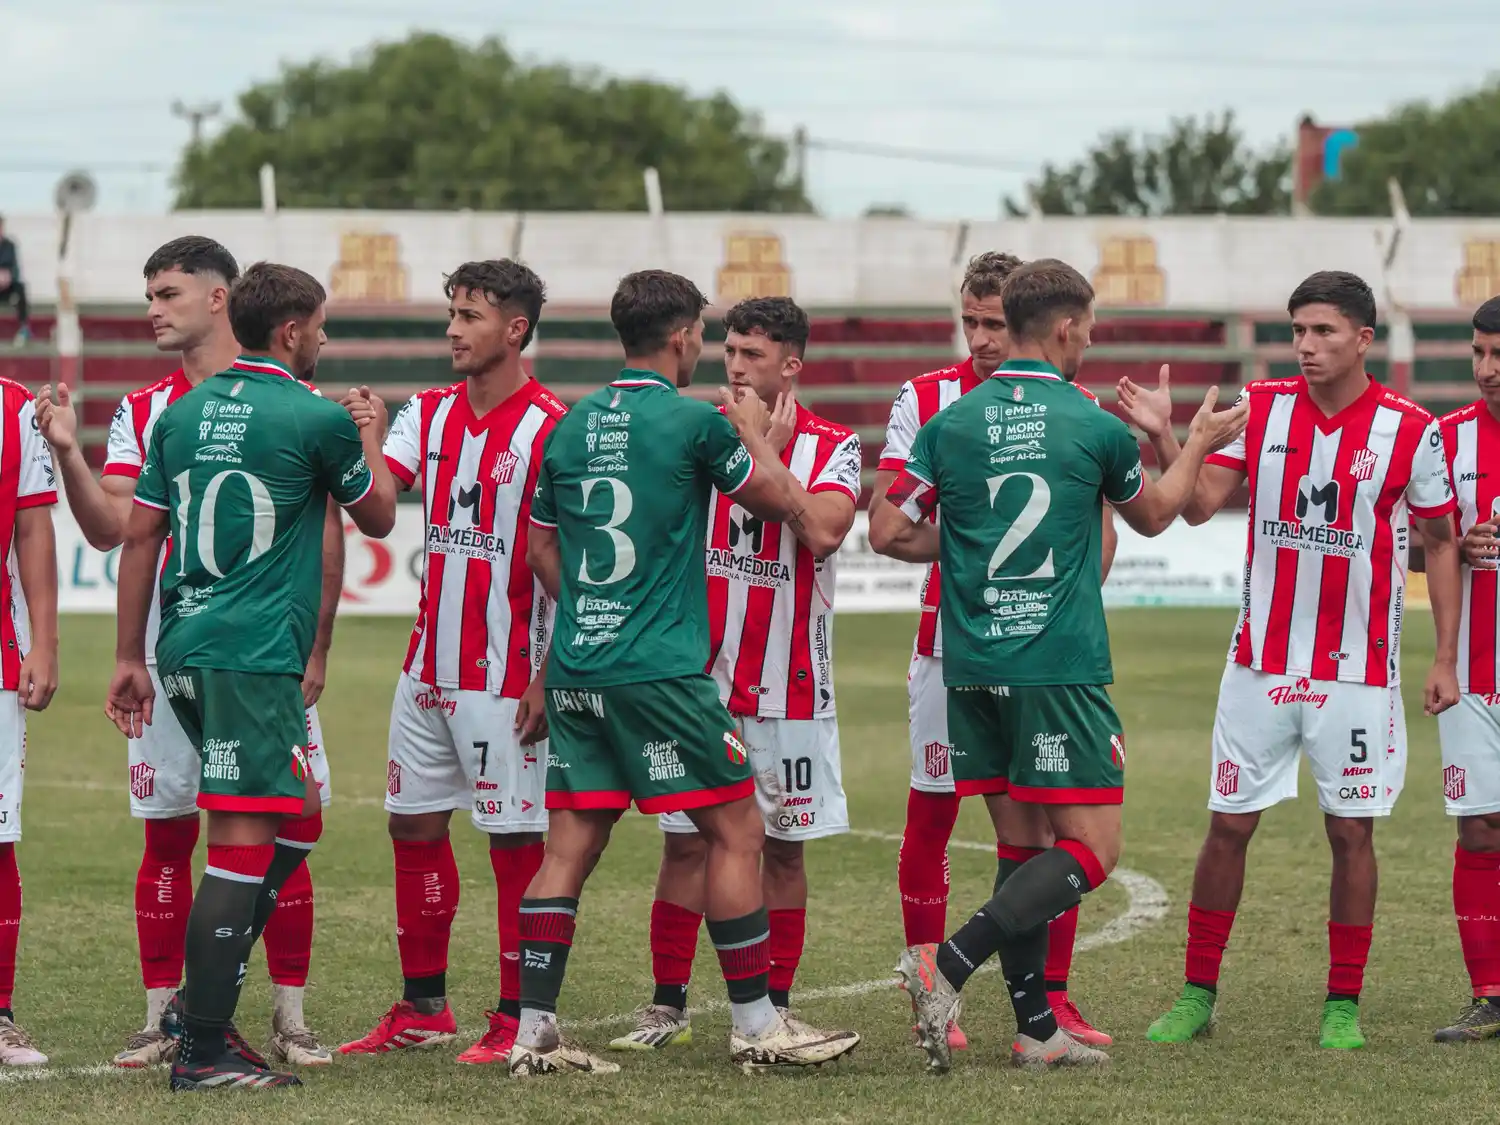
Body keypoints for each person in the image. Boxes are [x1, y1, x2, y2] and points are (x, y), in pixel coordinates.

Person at [871, 258, 1247, 1072]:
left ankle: (1037, 1026)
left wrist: (967, 551)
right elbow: (1152, 516)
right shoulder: (1088, 423)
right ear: (1069, 327)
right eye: (1092, 327)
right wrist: (1194, 439)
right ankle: (950, 962)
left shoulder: (953, 422)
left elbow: (888, 532)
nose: (1092, 340)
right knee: (1092, 846)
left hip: (971, 660)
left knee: (1021, 843)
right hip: (1056, 663)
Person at [512, 270, 860, 1075]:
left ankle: (534, 1032)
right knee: (737, 829)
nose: (721, 357)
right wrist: (752, 436)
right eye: (711, 338)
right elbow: (780, 504)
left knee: (567, 844)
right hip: (661, 671)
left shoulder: (563, 429)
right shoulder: (695, 424)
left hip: (577, 667)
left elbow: (538, 552)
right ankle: (756, 1023)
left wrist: (601, 605)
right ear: (681, 339)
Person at [37, 235, 345, 1069]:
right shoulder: (148, 410)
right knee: (174, 833)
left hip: (258, 652)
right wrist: (69, 452)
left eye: (168, 293)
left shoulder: (293, 399)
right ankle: (167, 1015)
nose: (152, 311)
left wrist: (316, 646)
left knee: (291, 814)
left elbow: (327, 530)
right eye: (148, 295)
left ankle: (288, 1014)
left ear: (221, 298)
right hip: (195, 652)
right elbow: (118, 531)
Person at [1135, 270, 1461, 1051]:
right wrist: (1167, 438)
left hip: (1357, 671)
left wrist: (1444, 654)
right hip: (1260, 662)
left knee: (1351, 833)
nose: (1307, 346)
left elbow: (1443, 543)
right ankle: (1196, 992)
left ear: (1363, 338)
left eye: (1323, 332)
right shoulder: (1264, 407)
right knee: (1227, 825)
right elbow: (1199, 504)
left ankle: (1342, 1003)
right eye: (1299, 331)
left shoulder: (1413, 430)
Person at [105, 261, 398, 1092]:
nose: (327, 339)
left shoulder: (184, 412)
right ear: (295, 330)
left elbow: (141, 539)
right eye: (324, 327)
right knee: (242, 840)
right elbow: (376, 514)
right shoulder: (315, 417)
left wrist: (130, 656)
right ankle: (203, 1045)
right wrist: (369, 432)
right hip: (252, 653)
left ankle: (202, 998)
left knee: (297, 814)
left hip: (186, 646)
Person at [868, 250, 1116, 1050]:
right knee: (935, 812)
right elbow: (889, 524)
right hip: (950, 647)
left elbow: (1099, 534)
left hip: (1025, 647)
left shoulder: (1068, 404)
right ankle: (934, 985)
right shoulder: (928, 400)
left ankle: (1045, 1010)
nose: (981, 338)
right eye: (969, 322)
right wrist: (975, 552)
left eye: (992, 322)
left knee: (1034, 835)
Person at [608, 296, 862, 1051]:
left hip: (789, 686)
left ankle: (772, 1006)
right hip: (699, 685)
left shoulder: (835, 444)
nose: (737, 367)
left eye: (753, 356)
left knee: (783, 847)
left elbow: (821, 528)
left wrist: (765, 450)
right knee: (684, 842)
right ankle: (666, 1005)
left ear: (791, 365)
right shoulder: (696, 434)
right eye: (730, 353)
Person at [339, 260, 562, 1064]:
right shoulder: (425, 414)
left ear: (515, 329)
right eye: (451, 312)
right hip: (426, 668)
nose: (452, 330)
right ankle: (424, 1006)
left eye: (469, 315)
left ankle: (515, 1016)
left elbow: (560, 563)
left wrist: (547, 673)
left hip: (506, 677)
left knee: (513, 839)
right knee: (412, 825)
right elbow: (372, 510)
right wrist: (368, 433)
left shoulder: (550, 427)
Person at [1432, 294, 1500, 1042]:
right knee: (1480, 829)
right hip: (1475, 675)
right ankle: (1491, 992)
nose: (1484, 370)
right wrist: (1451, 545)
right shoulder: (1445, 441)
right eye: (1478, 353)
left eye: (1499, 355)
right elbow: (1415, 537)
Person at [0, 379, 59, 1066]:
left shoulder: (16, 408)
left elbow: (33, 524)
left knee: (0, 833)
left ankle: (2, 1011)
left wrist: (45, 641)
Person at [0, 217, 29, 346]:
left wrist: (9, 276)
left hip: (7, 286)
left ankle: (23, 329)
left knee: (21, 288)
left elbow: (16, 269)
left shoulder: (10, 246)